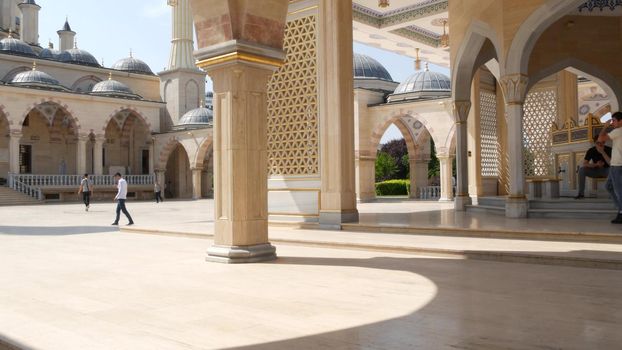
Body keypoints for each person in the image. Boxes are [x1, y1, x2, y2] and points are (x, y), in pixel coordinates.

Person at [598, 111, 622, 223]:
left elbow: (601, 139)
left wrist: (605, 126)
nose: (612, 123)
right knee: (609, 186)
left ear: (621, 121)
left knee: (618, 190)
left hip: (618, 165)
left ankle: (621, 212)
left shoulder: (618, 131)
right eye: (611, 121)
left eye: (614, 121)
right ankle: (620, 209)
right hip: (615, 165)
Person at [574, 135, 612, 199]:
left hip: (607, 170)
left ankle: (613, 194)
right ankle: (581, 194)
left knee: (614, 170)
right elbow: (585, 164)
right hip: (595, 171)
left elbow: (613, 164)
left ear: (604, 142)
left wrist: (603, 152)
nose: (600, 144)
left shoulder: (609, 149)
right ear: (595, 143)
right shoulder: (591, 150)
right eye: (598, 143)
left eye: (602, 142)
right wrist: (596, 164)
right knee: (582, 170)